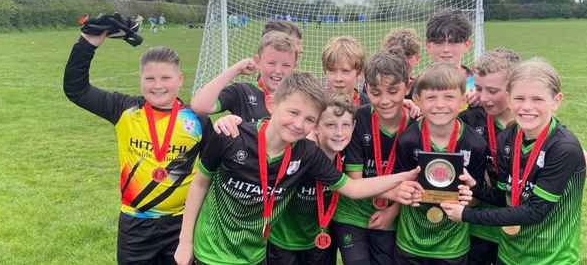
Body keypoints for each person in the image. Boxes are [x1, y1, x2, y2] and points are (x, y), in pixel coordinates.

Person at [174, 72, 425, 265]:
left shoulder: (306, 154)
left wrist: (404, 176)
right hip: (211, 252)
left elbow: (352, 187)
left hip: (256, 254)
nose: (298, 124)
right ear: (271, 104)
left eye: (309, 119)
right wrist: (185, 242)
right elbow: (199, 184)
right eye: (293, 112)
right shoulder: (231, 136)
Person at [63, 31, 211, 264]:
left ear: (180, 79)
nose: (158, 86)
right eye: (150, 79)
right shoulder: (124, 109)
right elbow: (76, 90)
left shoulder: (198, 120)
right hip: (135, 225)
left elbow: (211, 171)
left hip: (181, 226)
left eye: (166, 78)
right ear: (140, 79)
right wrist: (87, 44)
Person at [459, 48, 587, 264]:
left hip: (546, 253)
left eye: (537, 99)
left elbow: (536, 210)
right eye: (478, 88)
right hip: (505, 246)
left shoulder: (559, 142)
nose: (527, 107)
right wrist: (476, 186)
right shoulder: (503, 134)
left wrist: (465, 215)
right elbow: (506, 193)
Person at [393, 64, 487, 264]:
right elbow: (399, 185)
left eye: (449, 97)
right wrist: (406, 193)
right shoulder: (408, 140)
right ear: (417, 99)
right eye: (431, 97)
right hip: (411, 241)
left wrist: (469, 197)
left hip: (452, 246)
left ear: (463, 100)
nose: (440, 105)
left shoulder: (475, 144)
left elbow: (476, 199)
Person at [331, 51, 418, 265]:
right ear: (366, 89)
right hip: (351, 213)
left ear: (407, 87)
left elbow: (414, 180)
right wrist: (395, 193)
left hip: (394, 215)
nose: (385, 100)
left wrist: (393, 210)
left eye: (393, 91)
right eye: (376, 92)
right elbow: (355, 181)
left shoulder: (417, 126)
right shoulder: (358, 119)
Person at [267, 94, 357, 265]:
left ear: (353, 127)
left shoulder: (348, 153)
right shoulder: (300, 153)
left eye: (345, 125)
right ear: (315, 127)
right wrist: (232, 121)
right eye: (330, 125)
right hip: (282, 242)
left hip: (320, 242)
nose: (339, 133)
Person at [189, 31, 299, 123]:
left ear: (294, 67)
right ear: (258, 61)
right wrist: (236, 69)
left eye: (286, 65)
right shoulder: (242, 92)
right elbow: (199, 106)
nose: (278, 71)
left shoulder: (300, 99)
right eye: (271, 63)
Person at [425, 10, 477, 105]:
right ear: (428, 46)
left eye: (453, 42)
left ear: (467, 45)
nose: (446, 49)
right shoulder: (418, 85)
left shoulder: (479, 86)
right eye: (439, 42)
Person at [322, 36, 365, 106]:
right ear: (325, 72)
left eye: (345, 71)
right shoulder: (318, 107)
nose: (338, 78)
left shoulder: (370, 108)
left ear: (359, 73)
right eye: (332, 70)